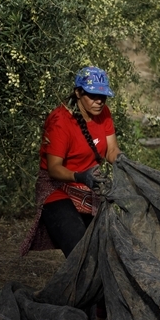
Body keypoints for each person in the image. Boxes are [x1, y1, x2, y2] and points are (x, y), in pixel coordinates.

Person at [20, 66, 121, 259]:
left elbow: (111, 150)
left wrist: (124, 162)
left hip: (89, 189)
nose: (99, 101)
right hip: (58, 189)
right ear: (78, 92)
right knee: (79, 251)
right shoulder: (60, 121)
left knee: (104, 248)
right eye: (93, 95)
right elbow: (54, 169)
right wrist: (80, 176)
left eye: (103, 96)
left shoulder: (104, 113)